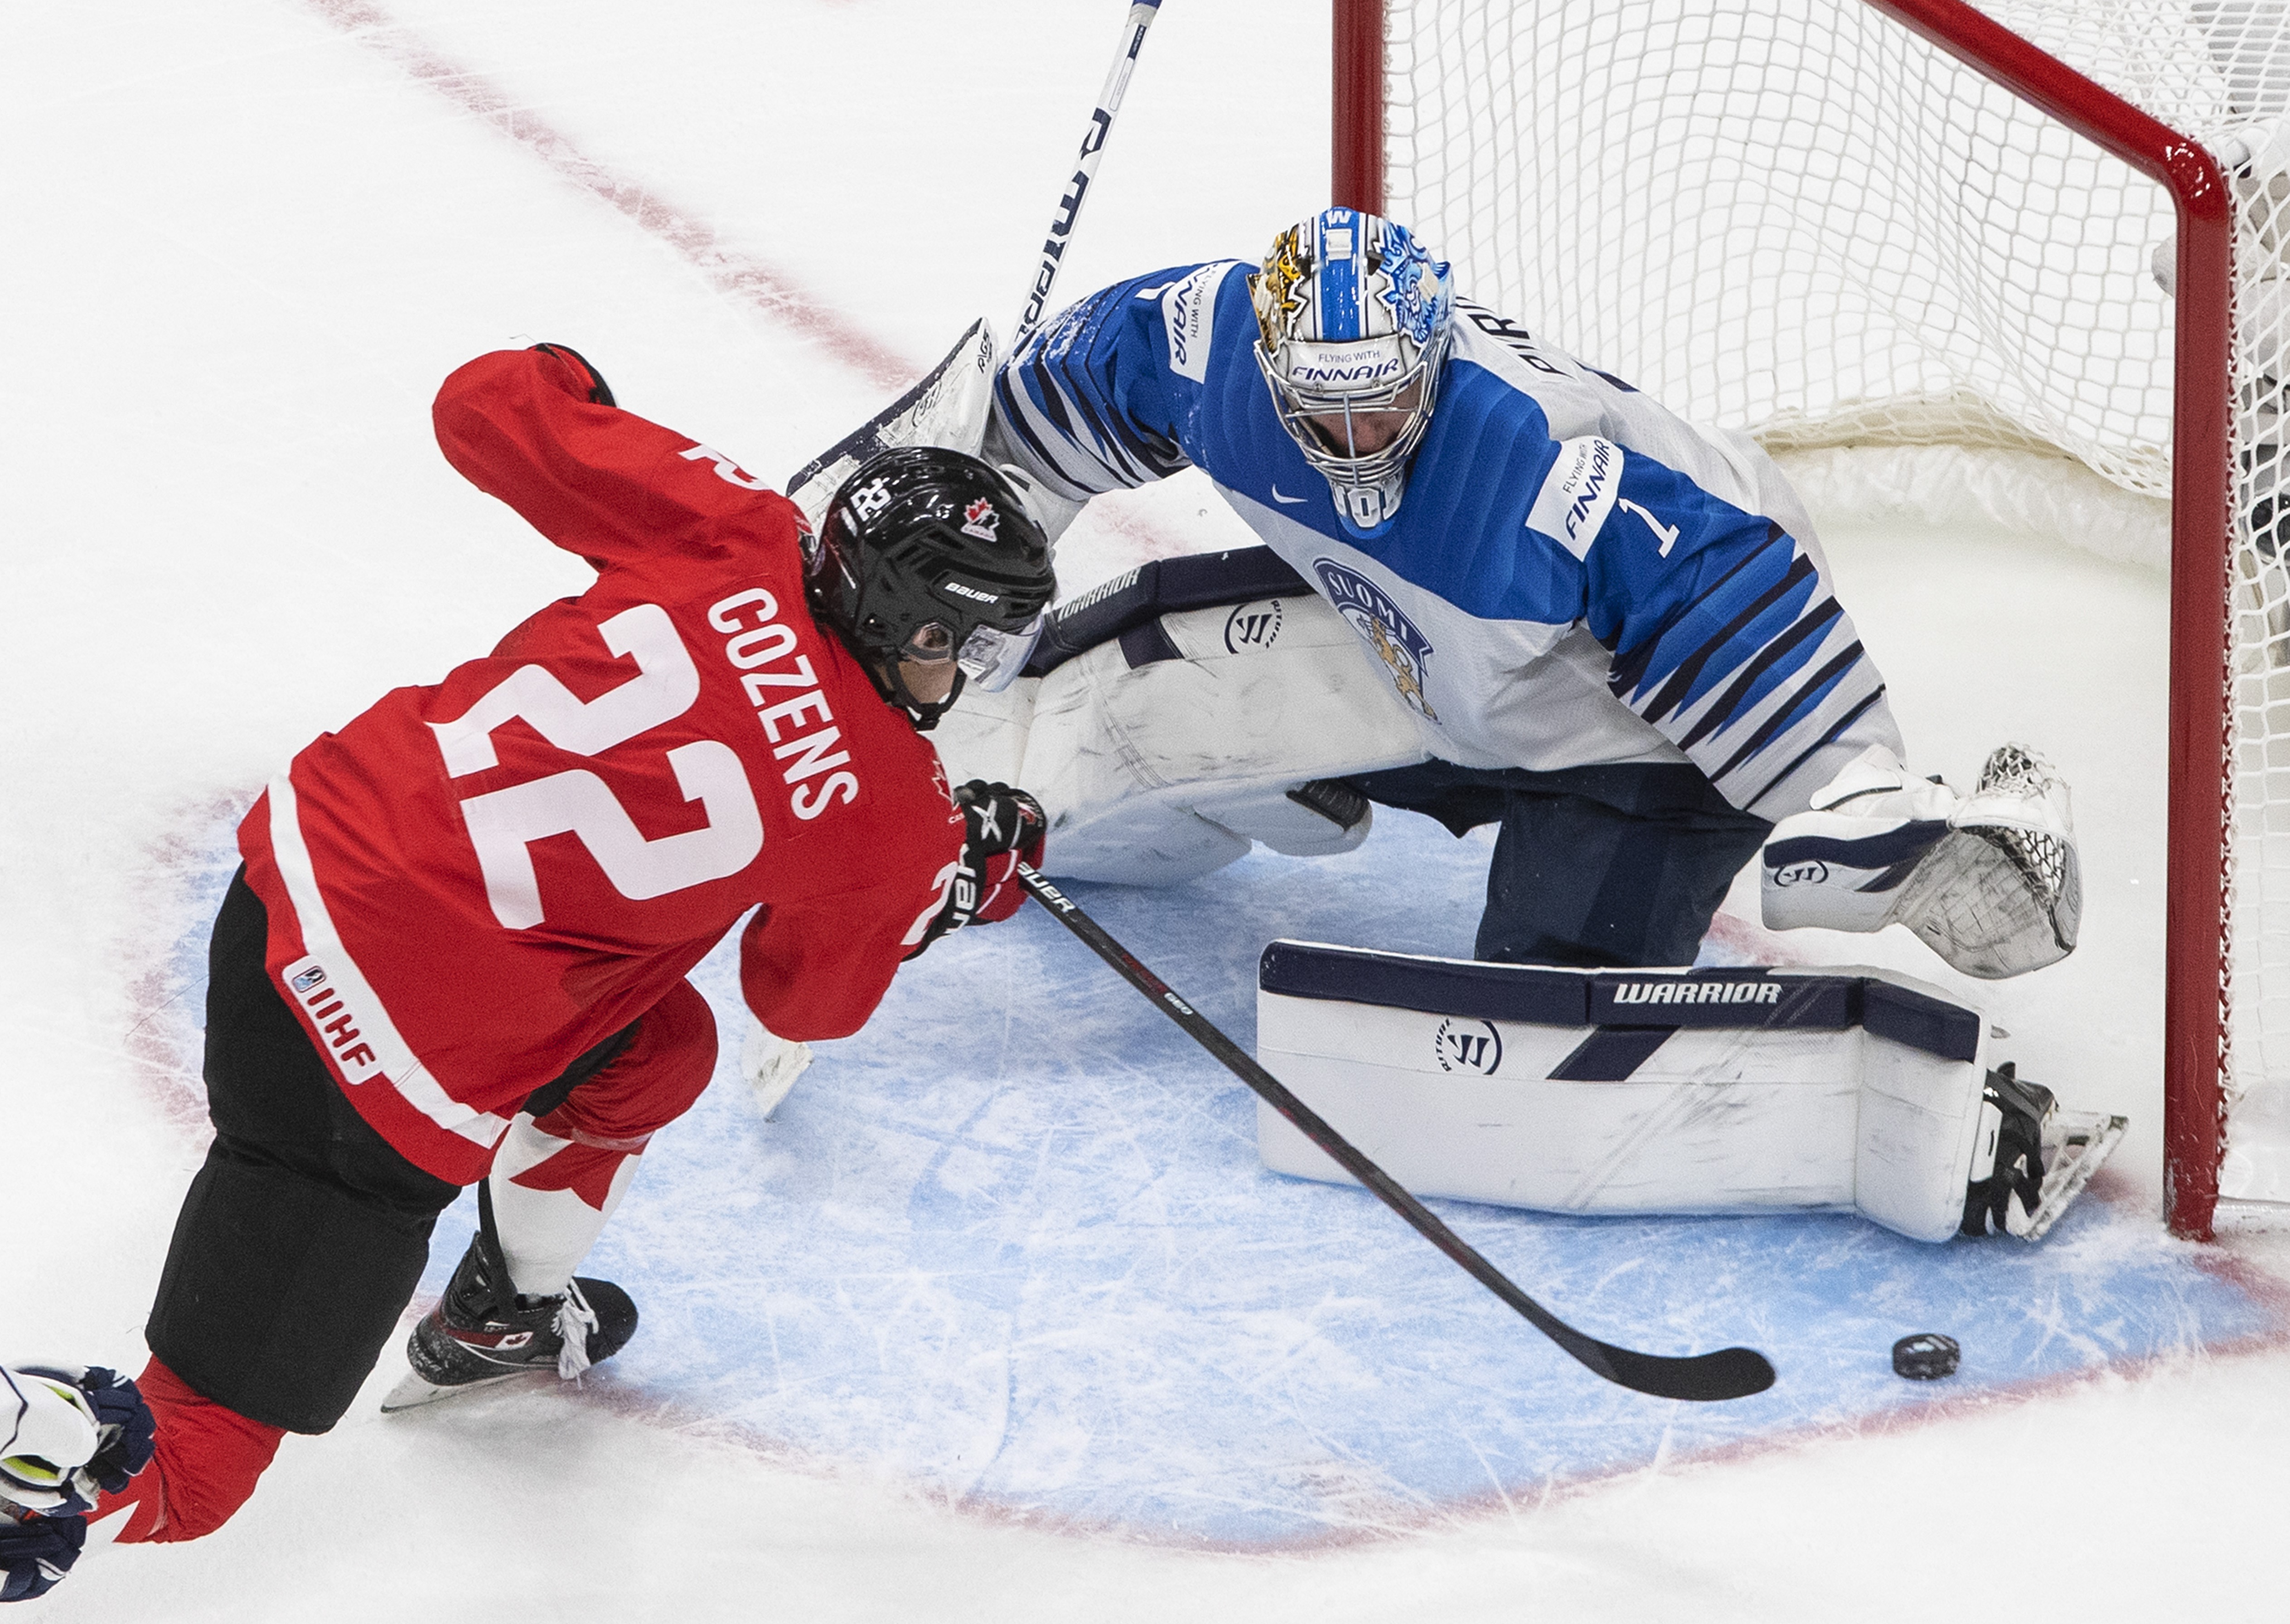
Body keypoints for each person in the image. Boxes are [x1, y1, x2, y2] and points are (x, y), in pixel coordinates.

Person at [0, 343, 1052, 1598]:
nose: (963, 679)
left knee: (661, 1050)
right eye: (966, 649)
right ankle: (35, 1463)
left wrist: (586, 395)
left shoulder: (737, 527)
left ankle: (502, 1312)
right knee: (194, 1474)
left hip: (293, 876)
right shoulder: (894, 814)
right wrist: (939, 890)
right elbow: (804, 1003)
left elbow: (486, 406)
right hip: (379, 1074)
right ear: (910, 621)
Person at [979, 208, 2079, 981]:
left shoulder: (1534, 461)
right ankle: (1272, 791)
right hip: (1434, 655)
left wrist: (1860, 804)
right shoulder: (1208, 342)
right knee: (1114, 691)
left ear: (1432, 356)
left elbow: (1717, 583)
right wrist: (971, 504)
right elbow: (1061, 394)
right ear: (1269, 372)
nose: (1358, 441)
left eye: (1386, 404)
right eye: (1325, 411)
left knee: (1546, 1009)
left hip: (1639, 729)